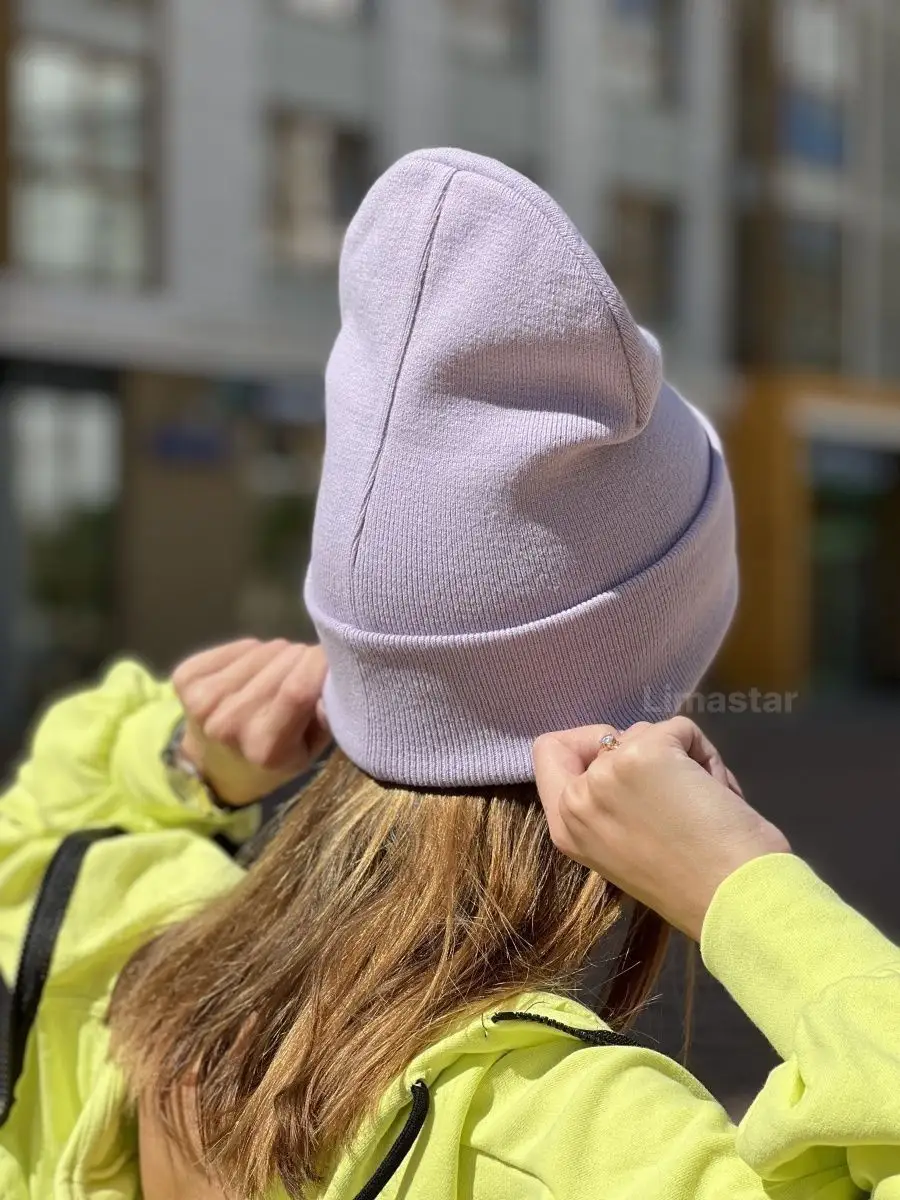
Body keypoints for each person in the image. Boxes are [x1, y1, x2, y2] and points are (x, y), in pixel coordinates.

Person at [0, 147, 898, 1200]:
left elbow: (49, 817)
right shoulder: (570, 1139)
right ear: (655, 720)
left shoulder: (121, 956)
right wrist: (742, 888)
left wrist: (187, 764)